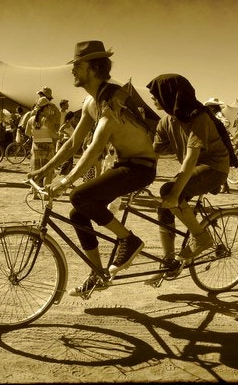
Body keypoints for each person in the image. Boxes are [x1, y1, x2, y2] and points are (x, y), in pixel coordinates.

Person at [28, 40, 157, 296]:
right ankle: (97, 273)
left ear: (94, 67)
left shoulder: (113, 97)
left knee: (78, 195)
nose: (72, 70)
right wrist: (45, 170)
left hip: (141, 167)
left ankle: (128, 240)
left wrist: (66, 182)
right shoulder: (90, 101)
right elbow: (74, 142)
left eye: (77, 65)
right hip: (123, 164)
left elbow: (95, 148)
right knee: (78, 214)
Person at [147, 74, 229, 272]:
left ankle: (201, 238)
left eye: (156, 94)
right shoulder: (166, 121)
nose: (153, 98)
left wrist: (174, 193)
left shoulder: (198, 117)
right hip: (192, 169)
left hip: (214, 168)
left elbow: (191, 158)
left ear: (169, 95)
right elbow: (153, 153)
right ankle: (169, 262)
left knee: (169, 191)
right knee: (164, 207)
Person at [25, 97, 59, 191]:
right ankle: (46, 194)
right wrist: (60, 135)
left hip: (35, 146)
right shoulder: (47, 120)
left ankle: (35, 193)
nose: (50, 110)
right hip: (47, 147)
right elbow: (54, 135)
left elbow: (27, 133)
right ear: (45, 108)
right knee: (48, 171)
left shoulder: (31, 119)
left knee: (36, 170)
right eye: (48, 108)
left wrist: (36, 133)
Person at [204, 97, 230, 193]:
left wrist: (217, 128)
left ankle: (222, 185)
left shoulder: (218, 115)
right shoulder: (212, 115)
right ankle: (222, 185)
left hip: (217, 140)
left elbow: (226, 123)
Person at [57, 109, 79, 176]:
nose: (74, 118)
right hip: (67, 140)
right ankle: (63, 171)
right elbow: (60, 130)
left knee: (69, 157)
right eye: (73, 117)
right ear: (71, 117)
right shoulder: (67, 123)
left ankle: (66, 171)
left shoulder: (69, 123)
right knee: (68, 157)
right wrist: (67, 134)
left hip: (69, 140)